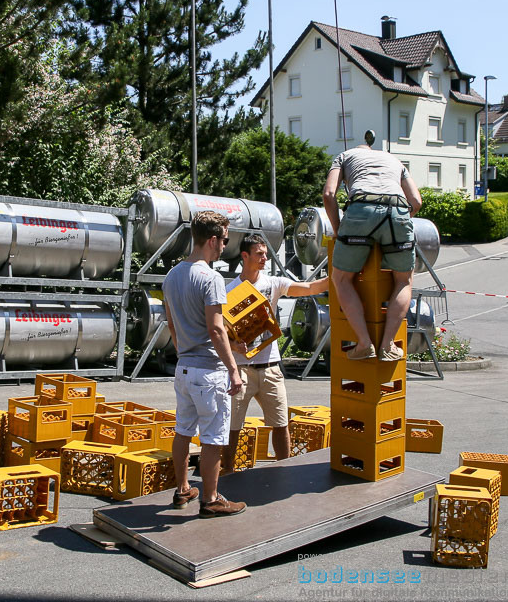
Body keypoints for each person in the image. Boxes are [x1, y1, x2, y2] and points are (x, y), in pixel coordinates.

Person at [162, 210, 246, 518]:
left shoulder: (172, 276)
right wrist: (234, 369)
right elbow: (215, 328)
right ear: (212, 240)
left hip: (184, 367)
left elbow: (172, 325)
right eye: (224, 239)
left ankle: (183, 488)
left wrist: (187, 349)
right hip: (209, 371)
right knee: (213, 438)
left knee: (183, 430)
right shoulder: (211, 278)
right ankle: (210, 499)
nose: (225, 245)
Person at [221, 234, 328, 473]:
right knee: (232, 426)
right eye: (259, 254)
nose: (264, 258)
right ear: (245, 256)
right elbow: (218, 332)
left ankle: (285, 470)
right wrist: (233, 345)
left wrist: (339, 277)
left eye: (265, 254)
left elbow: (309, 288)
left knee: (281, 424)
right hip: (240, 370)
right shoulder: (228, 291)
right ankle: (227, 473)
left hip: (270, 367)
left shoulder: (273, 284)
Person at [322, 129, 422, 361]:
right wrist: (399, 224)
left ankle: (365, 343)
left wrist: (340, 231)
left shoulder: (344, 157)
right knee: (403, 280)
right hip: (398, 209)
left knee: (341, 279)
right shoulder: (393, 160)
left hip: (361, 209)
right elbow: (415, 201)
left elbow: (329, 194)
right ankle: (388, 345)